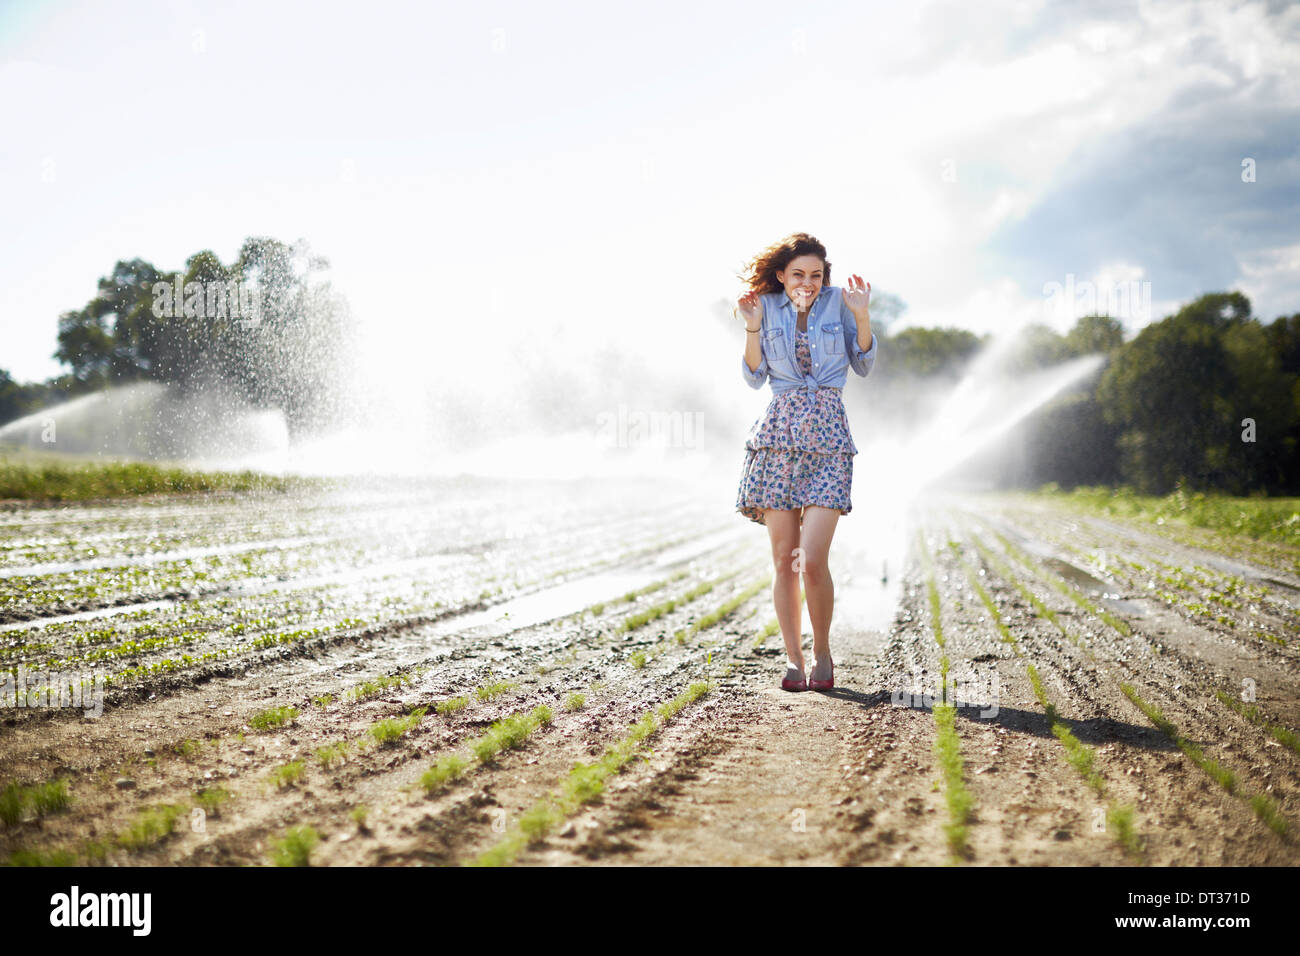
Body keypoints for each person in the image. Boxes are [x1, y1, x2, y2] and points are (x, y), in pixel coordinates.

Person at [733, 232, 878, 692]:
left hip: (829, 437)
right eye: (798, 274)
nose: (808, 282)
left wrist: (861, 314)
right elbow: (754, 377)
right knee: (784, 562)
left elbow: (865, 363)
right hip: (778, 438)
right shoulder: (767, 307)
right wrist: (752, 326)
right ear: (782, 275)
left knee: (812, 560)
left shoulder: (840, 303)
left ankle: (822, 653)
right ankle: (793, 660)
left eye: (816, 274)